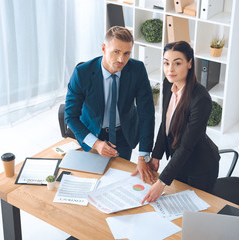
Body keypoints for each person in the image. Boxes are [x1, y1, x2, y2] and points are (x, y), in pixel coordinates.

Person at [138, 41, 220, 203]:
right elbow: (165, 123)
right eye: (166, 63)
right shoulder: (169, 83)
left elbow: (187, 145)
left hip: (200, 166)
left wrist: (162, 182)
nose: (170, 69)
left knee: (193, 210)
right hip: (179, 161)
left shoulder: (200, 98)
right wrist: (156, 156)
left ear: (190, 63)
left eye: (177, 63)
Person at [65, 26, 154, 162]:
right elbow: (70, 116)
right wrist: (95, 143)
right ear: (104, 48)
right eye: (116, 52)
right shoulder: (82, 73)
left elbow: (147, 114)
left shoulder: (137, 70)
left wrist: (144, 156)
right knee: (94, 176)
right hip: (93, 133)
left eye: (126, 53)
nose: (121, 59)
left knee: (120, 177)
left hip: (124, 134)